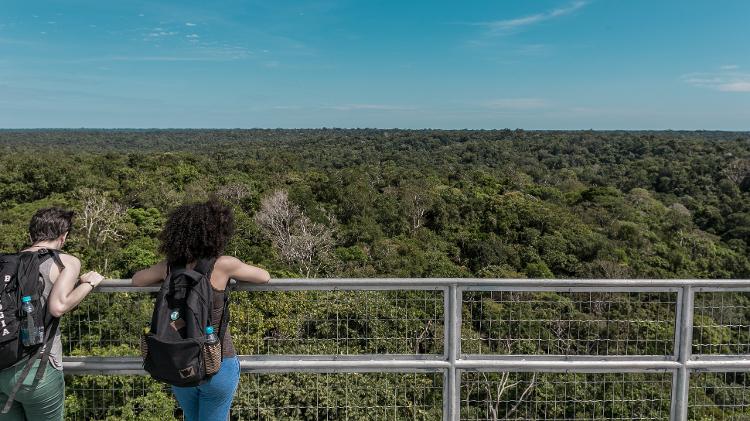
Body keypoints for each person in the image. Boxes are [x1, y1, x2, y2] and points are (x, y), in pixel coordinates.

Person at [132, 198, 270, 421]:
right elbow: (264, 276)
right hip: (218, 361)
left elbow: (137, 280)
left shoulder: (169, 266)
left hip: (181, 361)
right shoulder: (223, 264)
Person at [0, 207, 105, 421]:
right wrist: (89, 284)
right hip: (37, 371)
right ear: (63, 237)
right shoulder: (65, 261)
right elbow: (58, 306)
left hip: (2, 364)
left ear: (31, 234)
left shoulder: (8, 263)